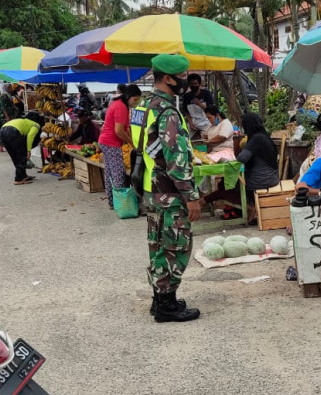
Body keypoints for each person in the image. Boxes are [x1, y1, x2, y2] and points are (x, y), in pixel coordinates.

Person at [140, 54, 201, 323]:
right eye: (183, 77)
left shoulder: (144, 106)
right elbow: (176, 159)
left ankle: (160, 299)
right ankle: (167, 305)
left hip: (153, 188)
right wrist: (191, 196)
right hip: (171, 191)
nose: (187, 81)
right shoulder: (167, 112)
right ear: (168, 78)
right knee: (176, 246)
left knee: (158, 246)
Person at [201, 112, 279, 222]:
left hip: (261, 180)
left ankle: (249, 206)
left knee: (225, 186)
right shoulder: (264, 137)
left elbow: (242, 158)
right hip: (272, 177)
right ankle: (204, 201)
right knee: (225, 184)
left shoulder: (256, 139)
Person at [98, 84, 142, 210]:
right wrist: (131, 143)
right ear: (128, 96)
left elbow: (125, 129)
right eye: (135, 100)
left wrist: (134, 140)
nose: (136, 103)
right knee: (118, 174)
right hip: (111, 143)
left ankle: (112, 203)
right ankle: (121, 205)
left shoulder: (120, 105)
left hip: (105, 141)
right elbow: (119, 131)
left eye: (138, 100)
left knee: (109, 173)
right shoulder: (121, 107)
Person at [0, 113, 43, 185]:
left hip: (2, 130)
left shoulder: (24, 121)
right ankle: (18, 179)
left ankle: (23, 175)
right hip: (13, 131)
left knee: (15, 156)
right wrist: (28, 150)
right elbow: (30, 136)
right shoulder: (36, 125)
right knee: (21, 155)